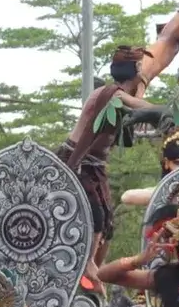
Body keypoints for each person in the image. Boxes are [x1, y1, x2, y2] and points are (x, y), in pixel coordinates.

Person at [58, 46, 156, 292]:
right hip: (79, 160)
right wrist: (171, 110)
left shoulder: (119, 94)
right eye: (141, 68)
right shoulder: (112, 94)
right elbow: (141, 106)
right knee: (96, 217)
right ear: (135, 69)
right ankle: (87, 264)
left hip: (95, 164)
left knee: (107, 222)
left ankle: (93, 269)